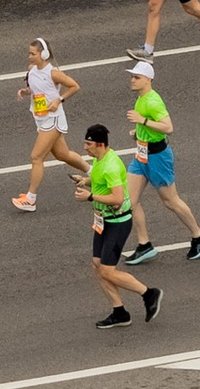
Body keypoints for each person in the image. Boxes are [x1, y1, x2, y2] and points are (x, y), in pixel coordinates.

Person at [120, 57, 200, 263]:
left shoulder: (152, 100)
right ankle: (144, 245)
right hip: (141, 155)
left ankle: (199, 235)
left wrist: (142, 121)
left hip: (158, 157)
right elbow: (153, 127)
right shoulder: (142, 98)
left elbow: (168, 127)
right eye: (132, 76)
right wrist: (139, 132)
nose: (132, 80)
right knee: (128, 202)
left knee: (170, 201)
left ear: (148, 79)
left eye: (136, 77)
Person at [82, 124, 161, 325]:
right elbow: (102, 183)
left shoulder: (111, 166)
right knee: (98, 265)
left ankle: (149, 293)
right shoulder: (99, 158)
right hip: (103, 220)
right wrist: (86, 182)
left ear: (100, 144)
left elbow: (117, 198)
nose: (85, 147)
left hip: (117, 222)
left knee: (107, 270)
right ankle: (119, 312)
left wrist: (90, 196)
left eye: (88, 143)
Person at [12, 36, 83, 206]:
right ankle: (94, 172)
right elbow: (37, 89)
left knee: (36, 157)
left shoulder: (54, 73)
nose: (29, 57)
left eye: (33, 54)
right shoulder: (32, 69)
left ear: (43, 54)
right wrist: (26, 91)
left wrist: (59, 99)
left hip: (53, 119)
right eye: (29, 53)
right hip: (40, 117)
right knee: (62, 155)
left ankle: (30, 199)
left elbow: (74, 86)